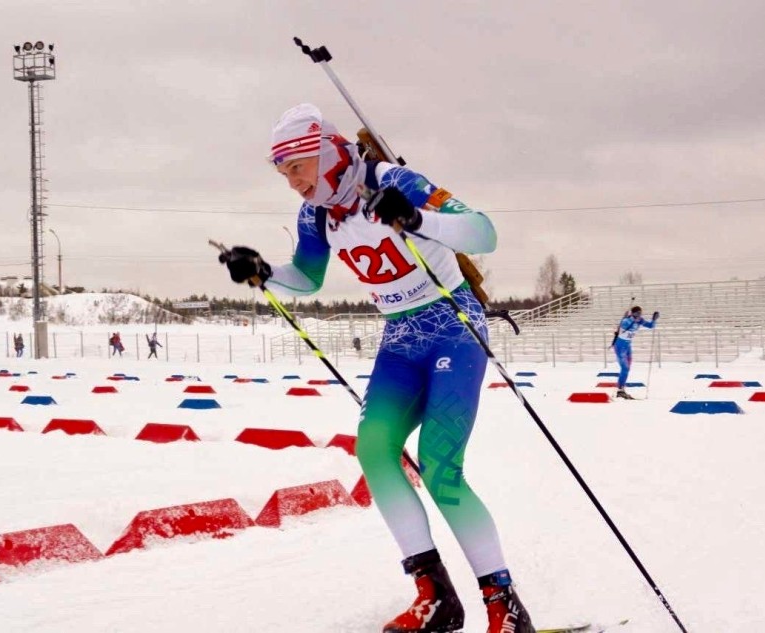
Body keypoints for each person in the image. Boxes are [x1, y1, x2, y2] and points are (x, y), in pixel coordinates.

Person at [218, 103, 535, 633]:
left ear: (325, 152)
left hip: (452, 323)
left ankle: (505, 607)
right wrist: (263, 272)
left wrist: (416, 218)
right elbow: (308, 278)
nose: (293, 182)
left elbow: (483, 233)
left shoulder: (394, 181)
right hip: (400, 336)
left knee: (440, 465)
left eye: (297, 167)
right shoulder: (316, 214)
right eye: (283, 173)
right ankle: (435, 597)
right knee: (374, 448)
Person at [611, 305, 659, 399]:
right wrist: (631, 319)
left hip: (628, 346)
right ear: (633, 313)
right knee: (625, 368)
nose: (639, 315)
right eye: (637, 313)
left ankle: (622, 387)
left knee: (627, 368)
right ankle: (620, 390)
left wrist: (654, 319)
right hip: (620, 347)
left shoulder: (639, 320)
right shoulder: (626, 320)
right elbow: (624, 326)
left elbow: (650, 326)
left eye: (640, 313)